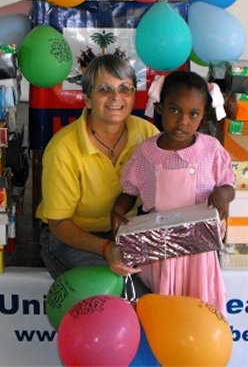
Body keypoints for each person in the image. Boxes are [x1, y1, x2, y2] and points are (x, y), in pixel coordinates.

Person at [111, 70, 235, 313]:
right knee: (164, 311)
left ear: (203, 117)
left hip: (199, 252)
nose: (182, 122)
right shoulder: (146, 153)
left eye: (193, 114)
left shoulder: (211, 150)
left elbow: (228, 185)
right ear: (160, 108)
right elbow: (129, 191)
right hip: (159, 249)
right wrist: (117, 211)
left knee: (198, 310)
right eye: (175, 110)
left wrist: (223, 194)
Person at [36, 54, 159, 284]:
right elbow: (59, 224)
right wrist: (106, 248)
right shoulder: (64, 148)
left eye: (125, 89)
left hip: (126, 234)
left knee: (163, 282)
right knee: (117, 289)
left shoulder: (148, 135)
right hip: (72, 238)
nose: (116, 97)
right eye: (104, 89)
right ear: (88, 99)